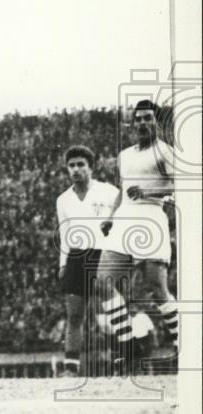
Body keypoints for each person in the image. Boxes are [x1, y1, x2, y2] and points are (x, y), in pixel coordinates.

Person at [97, 99, 179, 373]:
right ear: (132, 123)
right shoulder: (125, 155)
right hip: (123, 219)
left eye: (148, 118)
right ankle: (128, 345)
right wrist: (111, 215)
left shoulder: (165, 152)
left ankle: (185, 345)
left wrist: (149, 194)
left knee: (157, 288)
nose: (143, 123)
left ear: (157, 122)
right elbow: (123, 189)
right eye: (139, 118)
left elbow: (181, 188)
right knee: (102, 283)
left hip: (151, 217)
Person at [54, 145, 121, 377]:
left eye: (81, 164)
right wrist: (63, 264)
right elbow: (65, 234)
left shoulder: (109, 192)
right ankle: (71, 368)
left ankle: (126, 355)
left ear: (90, 167)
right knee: (74, 315)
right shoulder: (63, 199)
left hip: (104, 252)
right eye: (71, 165)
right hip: (76, 256)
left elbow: (123, 218)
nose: (76, 169)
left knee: (111, 307)